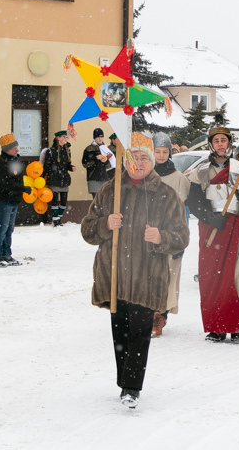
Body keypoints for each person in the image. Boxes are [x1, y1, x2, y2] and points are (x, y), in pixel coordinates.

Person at [80, 132, 190, 408]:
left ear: (152, 161)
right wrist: (105, 223)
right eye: (133, 158)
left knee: (140, 332)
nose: (138, 163)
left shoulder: (165, 194)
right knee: (120, 334)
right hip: (114, 275)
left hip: (147, 276)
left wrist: (161, 237)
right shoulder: (110, 190)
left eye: (143, 158)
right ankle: (124, 382)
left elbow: (182, 236)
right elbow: (87, 230)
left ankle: (131, 387)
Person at [186, 126, 239, 342]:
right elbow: (192, 200)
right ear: (211, 144)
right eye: (216, 140)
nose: (221, 143)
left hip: (234, 227)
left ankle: (235, 325)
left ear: (229, 143)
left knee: (235, 276)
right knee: (212, 277)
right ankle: (217, 326)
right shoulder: (200, 171)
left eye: (224, 140)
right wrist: (208, 218)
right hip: (211, 228)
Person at [148, 132, 191, 338]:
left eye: (165, 151)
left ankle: (160, 316)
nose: (161, 155)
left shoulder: (179, 178)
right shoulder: (146, 176)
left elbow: (183, 211)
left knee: (168, 276)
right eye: (158, 151)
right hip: (148, 233)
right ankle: (148, 313)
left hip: (170, 234)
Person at [0, 134, 32, 267]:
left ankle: (6, 255)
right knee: (1, 228)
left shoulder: (13, 161)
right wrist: (23, 188)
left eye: (16, 147)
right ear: (7, 149)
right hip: (2, 200)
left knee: (9, 229)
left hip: (12, 200)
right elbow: (7, 184)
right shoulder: (2, 164)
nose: (17, 149)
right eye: (14, 147)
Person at [43, 130, 76, 227]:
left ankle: (59, 217)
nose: (66, 139)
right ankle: (56, 220)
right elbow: (47, 166)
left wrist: (71, 167)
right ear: (58, 138)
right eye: (64, 137)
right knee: (54, 200)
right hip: (54, 178)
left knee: (63, 200)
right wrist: (45, 176)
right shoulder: (51, 151)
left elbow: (67, 164)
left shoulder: (67, 150)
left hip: (64, 178)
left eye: (66, 137)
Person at [82, 128, 112, 199]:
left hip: (104, 177)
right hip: (93, 177)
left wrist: (105, 160)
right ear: (94, 138)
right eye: (98, 137)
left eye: (101, 137)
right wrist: (95, 159)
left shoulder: (106, 148)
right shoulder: (89, 149)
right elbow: (85, 163)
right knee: (96, 199)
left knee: (104, 199)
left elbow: (110, 165)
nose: (100, 139)